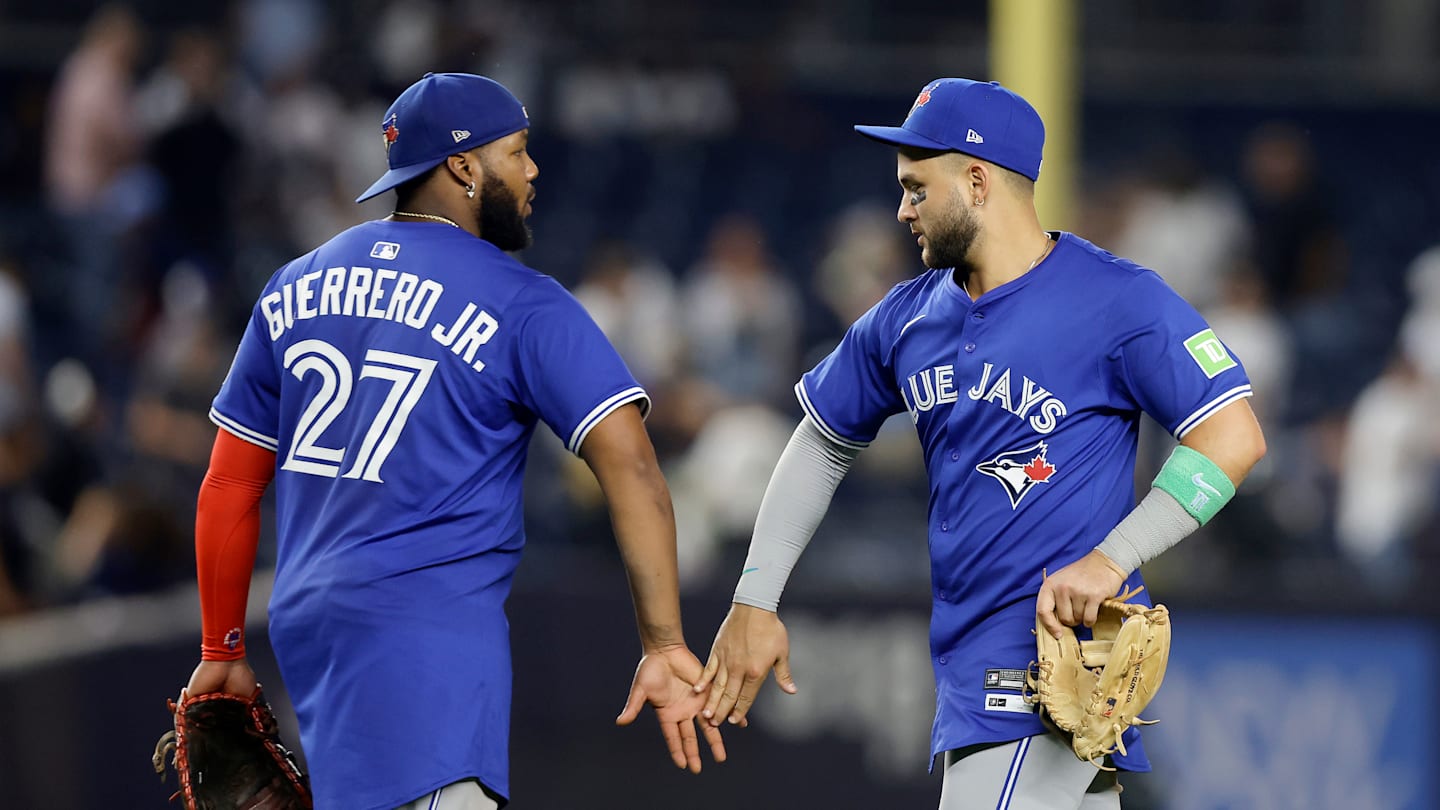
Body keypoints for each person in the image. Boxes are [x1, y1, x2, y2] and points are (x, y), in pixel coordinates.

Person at [697, 78, 1267, 809]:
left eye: (916, 189)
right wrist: (754, 599)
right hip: (971, 673)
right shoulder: (905, 318)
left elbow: (1233, 435)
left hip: (1038, 666)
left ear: (976, 181)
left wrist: (1113, 558)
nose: (902, 210)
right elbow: (821, 441)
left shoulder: (1117, 299)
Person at [180, 72, 725, 810]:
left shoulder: (293, 284)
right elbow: (631, 465)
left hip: (308, 626)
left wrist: (221, 648)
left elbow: (230, 484)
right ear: (463, 165)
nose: (533, 170)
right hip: (424, 641)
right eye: (517, 151)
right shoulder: (522, 301)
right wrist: (663, 642)